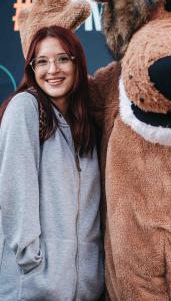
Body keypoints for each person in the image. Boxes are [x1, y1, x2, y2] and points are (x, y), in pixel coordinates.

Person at [0, 26, 104, 300]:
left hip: (85, 291)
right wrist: (31, 260)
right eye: (42, 61)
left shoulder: (88, 124)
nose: (52, 70)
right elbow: (15, 190)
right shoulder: (25, 107)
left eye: (62, 59)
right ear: (32, 68)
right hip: (34, 288)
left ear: (77, 63)